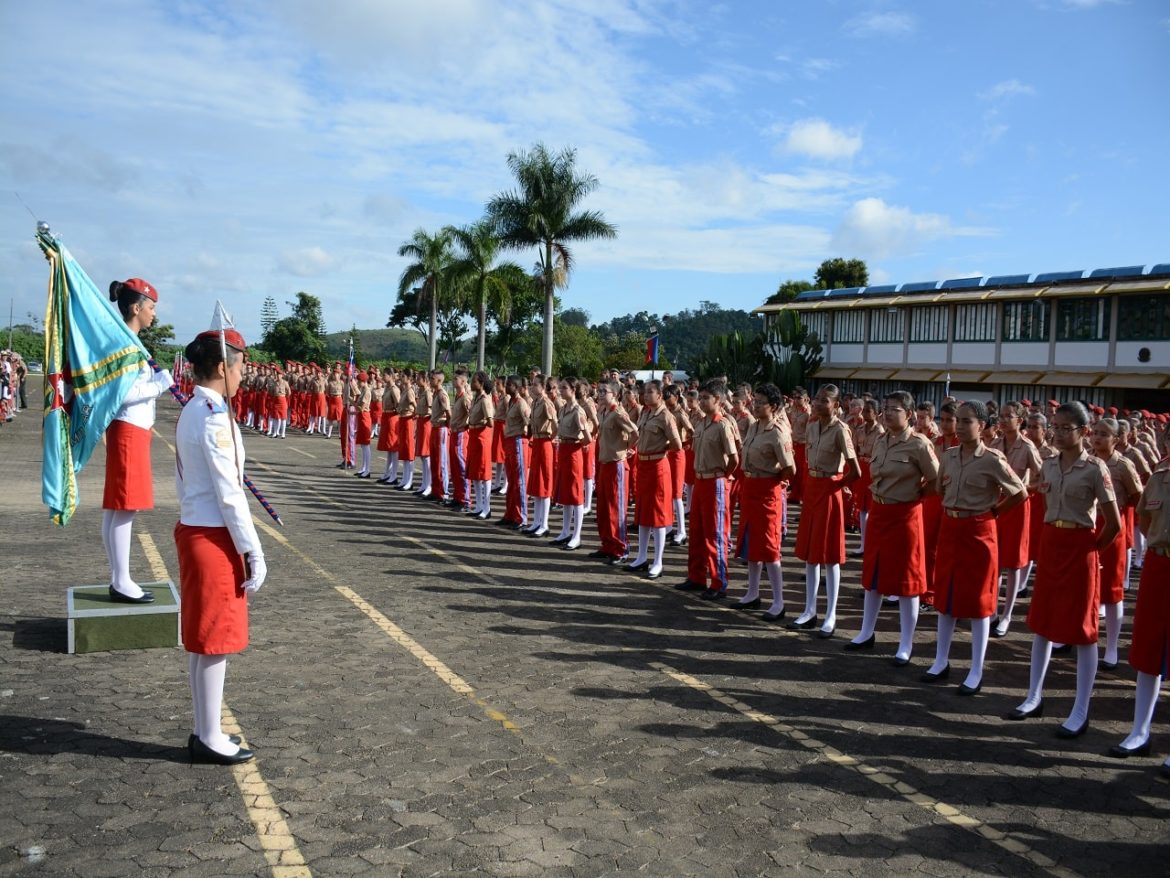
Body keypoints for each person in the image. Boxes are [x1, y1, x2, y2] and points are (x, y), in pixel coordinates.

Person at [174, 326, 266, 765]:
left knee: (204, 641)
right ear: (220, 367)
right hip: (214, 536)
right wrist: (253, 549)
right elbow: (231, 494)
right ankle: (209, 736)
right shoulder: (214, 417)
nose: (242, 374)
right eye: (239, 365)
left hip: (197, 528)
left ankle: (205, 729)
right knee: (215, 642)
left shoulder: (198, 409)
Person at [1008, 402, 1120, 738]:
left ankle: (1080, 710)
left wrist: (1090, 550)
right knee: (1042, 623)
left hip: (1079, 546)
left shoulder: (1095, 468)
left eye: (1064, 428)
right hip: (1052, 545)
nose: (1057, 433)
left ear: (1084, 432)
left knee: (1082, 630)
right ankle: (1033, 696)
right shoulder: (1050, 464)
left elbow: (1113, 523)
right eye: (1054, 427)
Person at [924, 401, 1026, 693]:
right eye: (958, 420)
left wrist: (994, 512)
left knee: (980, 602)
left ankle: (976, 670)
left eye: (967, 421)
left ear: (981, 426)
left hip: (979, 530)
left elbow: (1018, 492)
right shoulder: (949, 455)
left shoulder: (993, 459)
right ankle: (940, 661)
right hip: (951, 527)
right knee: (946, 596)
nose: (960, 426)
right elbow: (940, 489)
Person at [846, 392, 939, 665]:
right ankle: (866, 632)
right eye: (885, 408)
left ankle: (905, 644)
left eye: (894, 410)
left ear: (909, 415)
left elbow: (935, 481)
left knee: (906, 580)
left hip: (905, 515)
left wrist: (913, 495)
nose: (887, 413)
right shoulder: (881, 441)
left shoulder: (919, 444)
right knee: (873, 574)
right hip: (880, 512)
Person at [103, 278, 174, 604]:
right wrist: (159, 384)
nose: (154, 314)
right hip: (128, 428)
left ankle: (119, 577)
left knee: (119, 508)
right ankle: (121, 579)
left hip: (132, 430)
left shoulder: (130, 342)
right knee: (126, 507)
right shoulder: (126, 346)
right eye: (151, 307)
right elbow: (124, 395)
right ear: (136, 308)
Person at [1108, 429, 1170, 777]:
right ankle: (1139, 731)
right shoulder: (1160, 476)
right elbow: (1146, 518)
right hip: (1160, 567)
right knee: (1148, 653)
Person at [790, 384, 860, 639]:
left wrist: (837, 484)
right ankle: (810, 610)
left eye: (825, 401)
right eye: (817, 399)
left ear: (836, 406)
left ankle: (830, 614)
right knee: (811, 553)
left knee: (830, 556)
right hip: (812, 488)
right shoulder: (811, 426)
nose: (819, 404)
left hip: (830, 490)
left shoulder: (841, 430)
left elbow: (855, 470)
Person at [731, 383, 795, 619]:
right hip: (751, 489)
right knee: (751, 542)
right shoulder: (755, 427)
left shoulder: (777, 431)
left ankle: (779, 602)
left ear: (774, 406)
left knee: (769, 547)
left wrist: (772, 481)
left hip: (768, 490)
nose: (755, 406)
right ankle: (752, 593)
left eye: (760, 403)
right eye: (754, 402)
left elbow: (790, 468)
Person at [675, 381, 738, 599]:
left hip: (715, 481)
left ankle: (718, 582)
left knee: (715, 533)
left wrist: (724, 476)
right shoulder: (701, 424)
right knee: (697, 531)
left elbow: (733, 458)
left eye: (705, 398)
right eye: (700, 398)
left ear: (718, 400)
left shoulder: (723, 425)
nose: (701, 401)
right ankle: (696, 576)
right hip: (701, 481)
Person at [1090, 418, 1143, 669]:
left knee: (1112, 590)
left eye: (1104, 434)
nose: (1097, 438)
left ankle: (1111, 647)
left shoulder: (1123, 465)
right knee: (1085, 585)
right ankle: (1077, 635)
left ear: (1117, 438)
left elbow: (1138, 496)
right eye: (1095, 433)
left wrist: (1119, 514)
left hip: (1113, 526)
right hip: (1088, 523)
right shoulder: (1087, 460)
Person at [990, 402, 1043, 638]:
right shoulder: (994, 444)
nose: (1003, 420)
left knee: (1012, 564)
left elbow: (1044, 479)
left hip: (1018, 507)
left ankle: (1007, 614)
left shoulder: (1028, 447)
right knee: (995, 561)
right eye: (1001, 416)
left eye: (1008, 416)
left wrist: (1025, 488)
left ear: (1019, 420)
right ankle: (991, 609)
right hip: (997, 504)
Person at [627, 380, 682, 579]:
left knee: (658, 514)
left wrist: (660, 450)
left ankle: (658, 561)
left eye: (651, 392)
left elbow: (677, 444)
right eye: (645, 392)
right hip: (643, 465)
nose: (646, 395)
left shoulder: (666, 416)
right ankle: (641, 556)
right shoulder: (645, 412)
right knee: (642, 512)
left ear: (660, 395)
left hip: (658, 465)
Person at [594, 380, 638, 564]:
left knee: (616, 508)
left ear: (615, 394)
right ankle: (607, 545)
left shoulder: (619, 413)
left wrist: (628, 448)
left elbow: (635, 432)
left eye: (606, 391)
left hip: (616, 464)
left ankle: (620, 548)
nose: (601, 393)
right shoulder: (603, 411)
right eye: (600, 390)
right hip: (605, 463)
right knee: (603, 507)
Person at [552, 379, 591, 549]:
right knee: (565, 493)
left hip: (574, 451)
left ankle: (576, 535)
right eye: (560, 387)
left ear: (573, 389)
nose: (561, 390)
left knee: (576, 494)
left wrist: (575, 445)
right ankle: (565, 531)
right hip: (564, 450)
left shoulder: (578, 411)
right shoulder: (563, 409)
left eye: (564, 388)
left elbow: (588, 438)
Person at [523, 375, 557, 536]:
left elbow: (555, 425)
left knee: (544, 482)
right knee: (536, 483)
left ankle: (544, 523)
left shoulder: (546, 403)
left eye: (535, 385)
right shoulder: (535, 402)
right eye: (532, 384)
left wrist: (550, 438)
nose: (532, 387)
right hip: (536, 443)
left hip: (544, 443)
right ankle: (536, 521)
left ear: (543, 387)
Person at [501, 376, 531, 529]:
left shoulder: (521, 403)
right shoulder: (511, 402)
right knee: (511, 479)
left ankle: (521, 517)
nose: (506, 387)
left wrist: (524, 437)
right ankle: (510, 514)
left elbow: (529, 423)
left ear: (517, 387)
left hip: (518, 441)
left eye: (510, 385)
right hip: (510, 441)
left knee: (519, 481)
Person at [466, 370, 495, 519]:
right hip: (474, 436)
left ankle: (486, 507)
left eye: (474, 381)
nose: (471, 383)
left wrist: (479, 422)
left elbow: (490, 422)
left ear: (481, 383)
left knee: (484, 473)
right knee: (474, 472)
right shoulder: (476, 398)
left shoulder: (485, 399)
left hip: (482, 437)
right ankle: (478, 505)